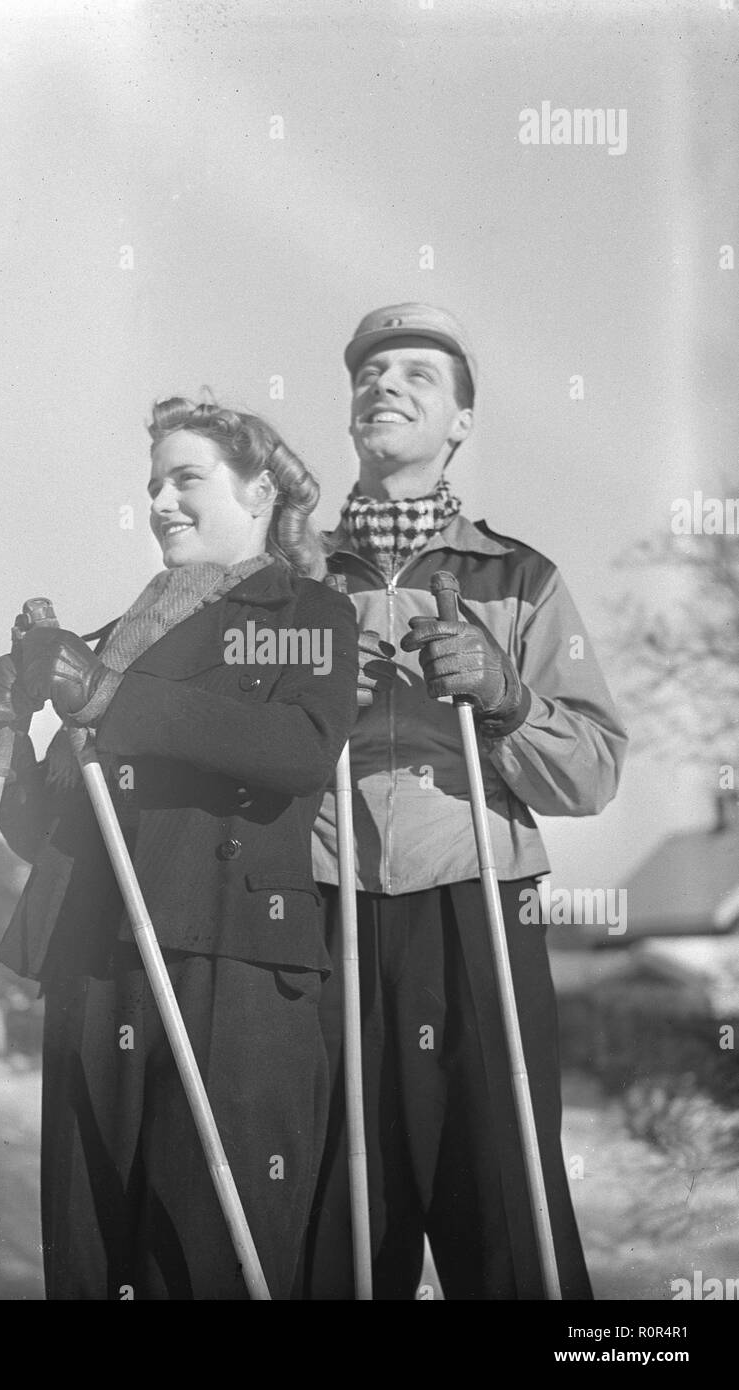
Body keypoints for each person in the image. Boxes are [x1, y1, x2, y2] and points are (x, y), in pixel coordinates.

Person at [0, 397, 359, 1300]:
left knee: (206, 1259)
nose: (163, 501)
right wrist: (0, 739)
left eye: (187, 479)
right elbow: (52, 834)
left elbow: (296, 748)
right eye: (154, 485)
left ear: (256, 491)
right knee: (91, 1257)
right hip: (95, 969)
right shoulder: (126, 633)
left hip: (229, 970)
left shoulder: (305, 611)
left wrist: (105, 696)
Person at [303, 303, 628, 1300]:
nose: (385, 384)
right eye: (371, 371)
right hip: (324, 908)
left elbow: (595, 768)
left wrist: (505, 695)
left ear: (460, 424)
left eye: (417, 375)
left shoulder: (519, 575)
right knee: (338, 1219)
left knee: (504, 1207)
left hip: (475, 912)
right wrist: (305, 694)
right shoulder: (290, 578)